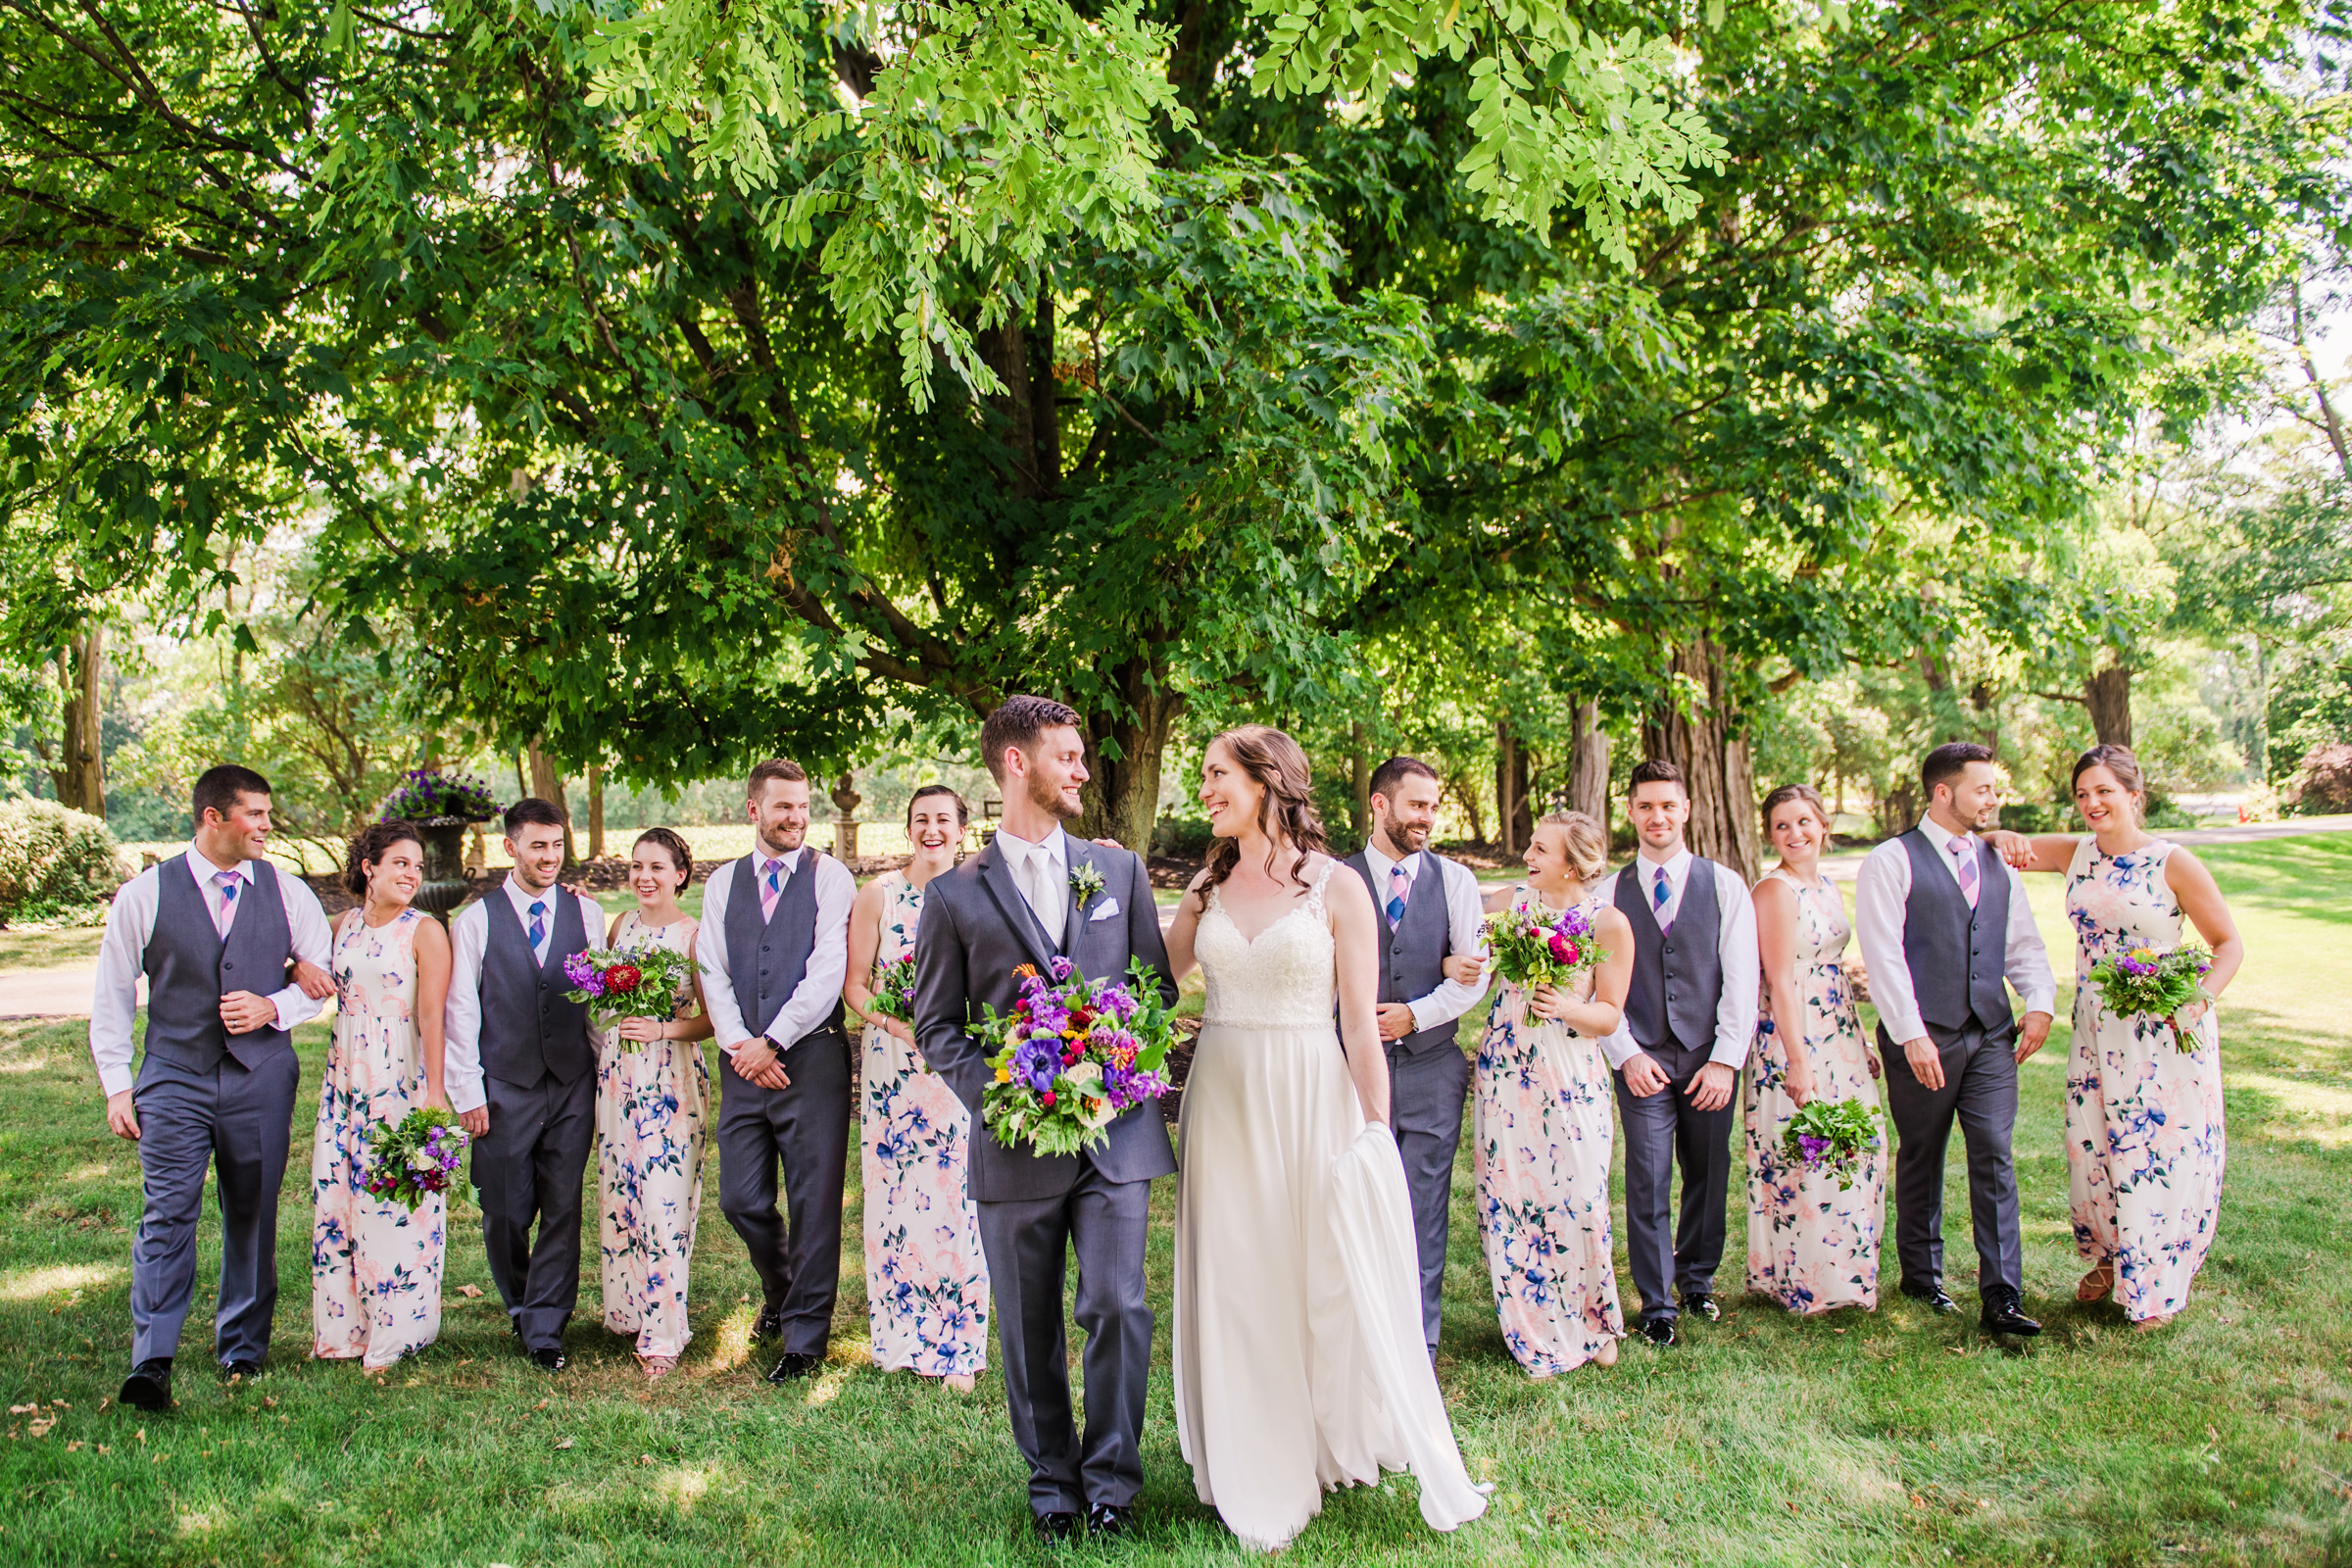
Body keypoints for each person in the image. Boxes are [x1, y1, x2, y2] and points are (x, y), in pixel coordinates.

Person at [1163, 725, 1489, 1553]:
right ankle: (1248, 1457)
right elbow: (1149, 980)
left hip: (1311, 1092)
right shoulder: (1206, 883)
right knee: (1234, 1271)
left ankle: (1314, 1440)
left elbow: (1358, 1024)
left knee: (1311, 1271)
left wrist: (1376, 1131)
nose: (1203, 789)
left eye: (1216, 775)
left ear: (1267, 781)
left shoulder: (1337, 888)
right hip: (1223, 1100)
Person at [910, 697, 1175, 1545]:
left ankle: (1112, 1484)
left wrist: (1118, 1056)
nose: (1083, 771)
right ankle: (1052, 1481)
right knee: (1027, 1326)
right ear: (1017, 764)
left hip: (1116, 1137)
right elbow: (937, 1024)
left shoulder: (1118, 869)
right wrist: (1001, 1095)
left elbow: (1156, 990)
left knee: (1116, 1305)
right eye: (1067, 756)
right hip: (1016, 1141)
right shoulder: (954, 895)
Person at [90, 765, 335, 1409]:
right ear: (213, 818)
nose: (265, 826)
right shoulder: (145, 895)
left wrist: (273, 1007)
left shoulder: (288, 894)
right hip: (174, 1077)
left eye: (267, 813)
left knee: (251, 1212)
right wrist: (118, 1086)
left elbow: (323, 978)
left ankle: (243, 1348)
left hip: (260, 1078)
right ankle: (153, 1360)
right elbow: (112, 996)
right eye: (254, 814)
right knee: (167, 1212)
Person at [1990, 745, 2242, 1330]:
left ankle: (2154, 1277)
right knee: (2094, 1146)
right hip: (2096, 1031)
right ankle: (2108, 1258)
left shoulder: (2172, 862)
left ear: (2134, 794)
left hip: (2162, 1033)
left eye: (2104, 791)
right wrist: (2002, 839)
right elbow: (1997, 843)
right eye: (2082, 794)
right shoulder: (2074, 853)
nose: (2092, 803)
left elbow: (2228, 944)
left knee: (2157, 1151)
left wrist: (2199, 998)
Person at [1852, 742, 2055, 1338]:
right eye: (1984, 789)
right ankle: (1921, 1274)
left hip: (1991, 1032)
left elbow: (2022, 944)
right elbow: (1884, 954)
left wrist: (2038, 1004)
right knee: (1923, 1152)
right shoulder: (1891, 861)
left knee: (1994, 1150)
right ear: (1944, 793)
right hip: (1924, 1036)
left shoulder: (1996, 862)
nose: (1994, 799)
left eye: (1996, 789)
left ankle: (2002, 1296)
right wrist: (1910, 1035)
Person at [696, 760, 858, 1383]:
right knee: (740, 1198)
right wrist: (743, 1044)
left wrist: (774, 1040)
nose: (795, 818)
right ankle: (783, 1289)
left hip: (810, 1057)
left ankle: (805, 1339)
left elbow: (826, 972)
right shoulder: (721, 884)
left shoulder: (829, 877)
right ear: (753, 810)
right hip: (743, 1062)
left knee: (814, 1202)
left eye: (802, 806)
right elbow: (712, 967)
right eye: (782, 807)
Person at [1592, 760, 1760, 1346]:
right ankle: (1657, 1301)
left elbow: (1742, 977)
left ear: (1686, 810)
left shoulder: (1725, 884)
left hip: (1708, 1055)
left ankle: (1697, 1281)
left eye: (1668, 805)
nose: (1657, 816)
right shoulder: (1607, 891)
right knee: (1647, 1174)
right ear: (1631, 812)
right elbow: (1593, 984)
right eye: (1645, 806)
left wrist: (1725, 1059)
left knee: (1709, 1174)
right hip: (1642, 1056)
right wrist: (1626, 1054)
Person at [443, 798, 609, 1371]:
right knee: (505, 1210)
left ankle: (545, 1326)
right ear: (510, 847)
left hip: (569, 1083)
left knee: (562, 1205)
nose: (550, 857)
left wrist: (604, 1074)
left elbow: (596, 1005)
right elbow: (460, 1012)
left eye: (558, 845)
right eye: (538, 845)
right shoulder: (476, 922)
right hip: (503, 1086)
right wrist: (467, 1092)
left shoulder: (587, 915)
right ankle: (519, 1302)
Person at [1469, 809, 1633, 1377]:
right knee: (1512, 1197)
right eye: (1531, 846)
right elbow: (1463, 966)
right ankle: (1529, 1324)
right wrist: (1460, 962)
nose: (1529, 857)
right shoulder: (1506, 907)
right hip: (1508, 1073)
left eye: (1541, 850)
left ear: (1575, 862)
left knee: (1582, 1199)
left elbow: (1610, 1015)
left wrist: (1565, 1006)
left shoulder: (1607, 922)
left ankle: (1594, 1322)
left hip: (1571, 1075)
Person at [1338, 757, 1490, 1361]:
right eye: (1416, 805)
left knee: (1424, 1209)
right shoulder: (1335, 877)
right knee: (1350, 1202)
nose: (1427, 817)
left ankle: (1418, 1348)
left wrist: (1415, 1013)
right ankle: (1355, 1339)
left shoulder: (1455, 882)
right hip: (1348, 1073)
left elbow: (1472, 976)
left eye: (1433, 806)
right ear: (1380, 804)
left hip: (1431, 1067)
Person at [845, 785, 989, 1394]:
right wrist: (900, 1026)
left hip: (958, 1067)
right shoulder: (877, 895)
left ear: (961, 829)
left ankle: (958, 1341)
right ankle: (900, 1336)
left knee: (959, 1199)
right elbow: (855, 987)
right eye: (920, 820)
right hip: (894, 1067)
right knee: (896, 1197)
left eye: (943, 820)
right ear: (908, 828)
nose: (932, 830)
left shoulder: (981, 892)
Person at [311, 820, 455, 1370]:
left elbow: (433, 1015)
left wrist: (435, 1093)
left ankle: (398, 1329)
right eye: (401, 863)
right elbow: (293, 949)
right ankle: (344, 1328)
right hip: (346, 1076)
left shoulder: (424, 931)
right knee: (341, 1194)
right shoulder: (342, 924)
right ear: (369, 867)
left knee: (394, 1197)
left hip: (399, 1075)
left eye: (418, 866)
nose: (412, 874)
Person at [1743, 784, 1885, 1315]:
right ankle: (1805, 1282)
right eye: (1781, 826)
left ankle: (1843, 1271)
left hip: (1838, 1029)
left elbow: (1836, 972)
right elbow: (1779, 981)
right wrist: (1797, 1062)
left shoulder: (1826, 886)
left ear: (1824, 825)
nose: (1794, 834)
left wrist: (1860, 1039)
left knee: (1855, 1145)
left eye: (1803, 822)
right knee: (1806, 1153)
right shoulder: (1776, 891)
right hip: (1793, 1034)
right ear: (1770, 836)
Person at [596, 828, 714, 1380]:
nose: (645, 877)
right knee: (623, 1190)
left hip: (672, 1079)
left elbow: (712, 1021)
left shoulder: (695, 936)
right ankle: (628, 1310)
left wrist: (663, 1028)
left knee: (665, 1199)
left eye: (657, 868)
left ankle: (665, 1331)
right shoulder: (620, 925)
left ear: (680, 875)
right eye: (637, 866)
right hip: (619, 1077)